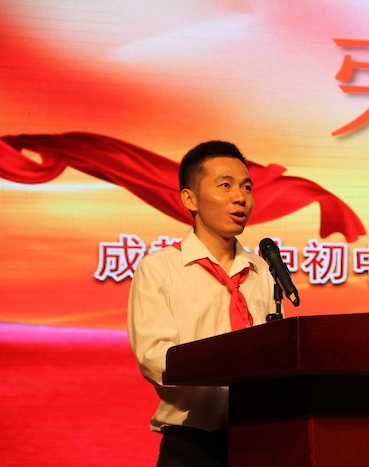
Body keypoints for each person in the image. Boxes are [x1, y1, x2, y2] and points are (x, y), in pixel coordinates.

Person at [127, 141, 277, 466]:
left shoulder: (262, 270)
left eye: (247, 187)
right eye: (225, 185)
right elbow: (155, 357)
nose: (240, 198)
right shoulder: (161, 268)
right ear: (189, 199)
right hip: (191, 445)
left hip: (259, 439)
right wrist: (228, 364)